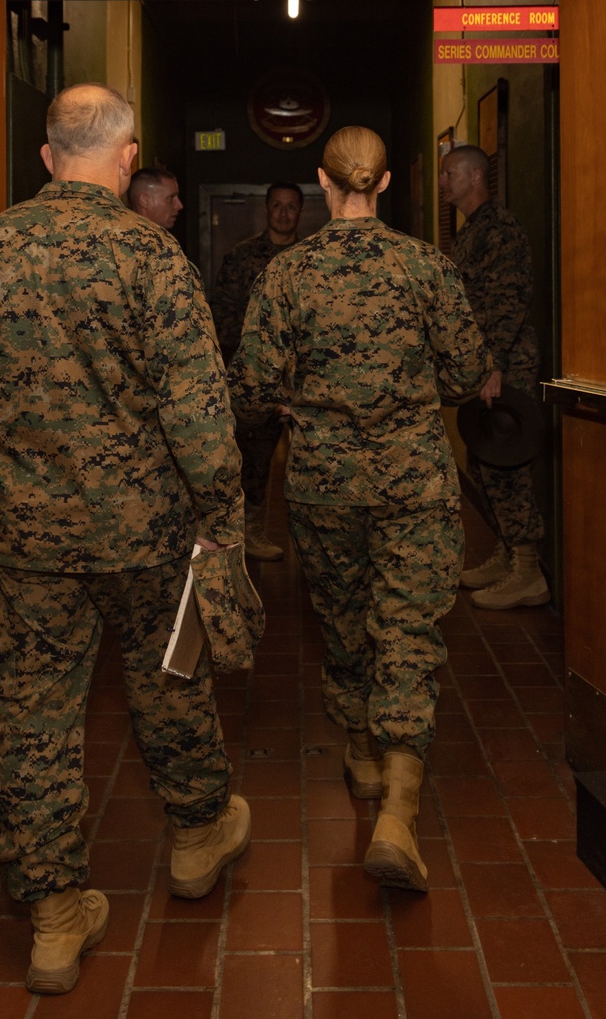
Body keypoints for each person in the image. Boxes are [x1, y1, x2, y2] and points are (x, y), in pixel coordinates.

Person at [0, 84, 251, 997]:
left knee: (34, 719)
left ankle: (55, 919)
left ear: (47, 154)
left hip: (26, 542)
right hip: (145, 534)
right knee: (170, 683)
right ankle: (195, 839)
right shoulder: (154, 257)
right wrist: (220, 516)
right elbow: (202, 424)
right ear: (129, 156)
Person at [228, 128, 493, 893]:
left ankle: (361, 752)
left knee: (343, 621)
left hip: (321, 484)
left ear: (323, 181)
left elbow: (249, 388)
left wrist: (291, 403)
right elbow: (470, 370)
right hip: (414, 483)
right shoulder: (425, 264)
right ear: (381, 185)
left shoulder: (287, 274)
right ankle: (400, 814)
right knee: (407, 633)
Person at [439, 144, 550, 609]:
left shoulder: (500, 229)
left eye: (449, 173)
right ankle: (507, 555)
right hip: (482, 365)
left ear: (474, 177)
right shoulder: (471, 231)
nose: (443, 181)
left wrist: (494, 365)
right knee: (485, 463)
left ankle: (528, 572)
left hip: (503, 368)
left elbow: (508, 300)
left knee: (506, 465)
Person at [211, 182, 304, 562]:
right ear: (266, 209)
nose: (283, 214)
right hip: (257, 378)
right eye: (277, 206)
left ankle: (311, 541)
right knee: (253, 463)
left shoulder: (308, 259)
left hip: (304, 383)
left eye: (291, 207)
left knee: (312, 466)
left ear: (300, 211)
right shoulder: (242, 257)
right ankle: (250, 531)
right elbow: (224, 316)